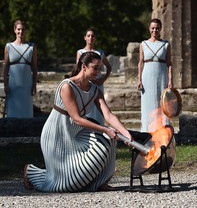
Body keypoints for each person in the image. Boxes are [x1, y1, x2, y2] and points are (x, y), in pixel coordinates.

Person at [24, 52, 133, 192]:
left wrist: (126, 134)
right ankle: (31, 171)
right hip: (57, 135)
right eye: (95, 68)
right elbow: (76, 118)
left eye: (100, 68)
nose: (98, 72)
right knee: (65, 185)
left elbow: (108, 115)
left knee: (109, 139)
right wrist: (106, 129)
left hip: (77, 134)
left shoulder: (95, 90)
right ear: (84, 66)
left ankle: (100, 182)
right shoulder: (67, 86)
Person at [137, 18, 173, 132]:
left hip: (162, 75)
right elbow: (141, 62)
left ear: (160, 29)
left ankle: (162, 129)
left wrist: (170, 80)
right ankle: (147, 130)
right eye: (153, 28)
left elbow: (169, 63)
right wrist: (139, 79)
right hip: (147, 75)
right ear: (149, 29)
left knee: (161, 102)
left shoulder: (165, 44)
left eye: (157, 28)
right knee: (148, 103)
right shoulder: (143, 44)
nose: (155, 30)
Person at [76, 28, 112, 125]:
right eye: (88, 35)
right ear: (85, 38)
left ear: (95, 38)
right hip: (85, 84)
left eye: (92, 36)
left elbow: (109, 67)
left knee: (98, 107)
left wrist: (103, 80)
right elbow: (78, 69)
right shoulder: (80, 52)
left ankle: (99, 128)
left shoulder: (100, 53)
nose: (90, 38)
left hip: (98, 84)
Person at [3, 20, 37, 118]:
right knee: (13, 111)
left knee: (26, 111)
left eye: (23, 29)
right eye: (18, 29)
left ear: (25, 31)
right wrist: (5, 84)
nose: (20, 32)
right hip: (13, 84)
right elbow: (5, 68)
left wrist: (34, 85)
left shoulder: (31, 47)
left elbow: (34, 67)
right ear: (14, 30)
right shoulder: (9, 47)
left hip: (27, 83)